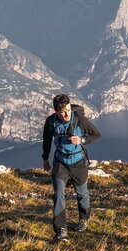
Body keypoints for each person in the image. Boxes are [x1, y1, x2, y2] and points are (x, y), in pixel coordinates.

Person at [41, 93, 101, 242]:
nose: (67, 113)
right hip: (60, 163)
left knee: (82, 193)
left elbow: (96, 134)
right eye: (63, 111)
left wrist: (82, 139)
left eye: (68, 109)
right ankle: (61, 230)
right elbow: (47, 141)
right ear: (56, 111)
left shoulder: (79, 119)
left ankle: (84, 219)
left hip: (78, 163)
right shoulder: (51, 122)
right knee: (58, 194)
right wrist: (45, 159)